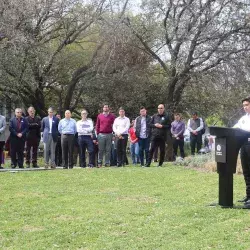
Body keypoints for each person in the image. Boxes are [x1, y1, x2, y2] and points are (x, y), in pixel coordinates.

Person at [233, 97, 250, 206]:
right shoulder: (243, 118)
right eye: (244, 105)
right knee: (246, 171)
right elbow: (235, 127)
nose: (245, 107)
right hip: (243, 145)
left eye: (247, 105)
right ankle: (248, 196)